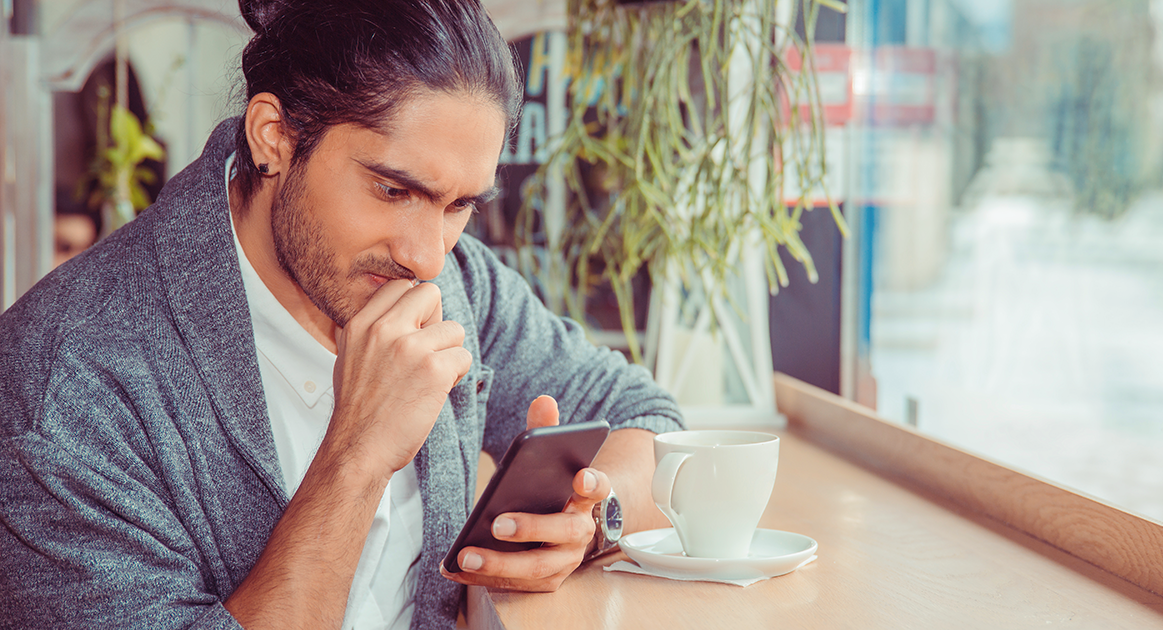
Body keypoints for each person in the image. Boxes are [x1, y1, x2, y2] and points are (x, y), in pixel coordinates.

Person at [0, 2, 683, 629]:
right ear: (274, 137)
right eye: (392, 189)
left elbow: (646, 419)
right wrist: (357, 454)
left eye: (459, 205)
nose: (426, 255)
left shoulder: (461, 282)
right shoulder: (62, 384)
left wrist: (594, 520)